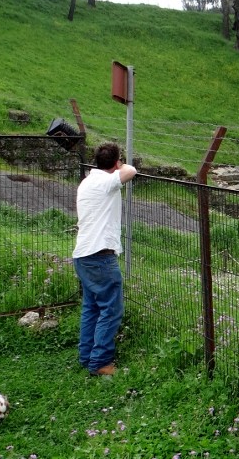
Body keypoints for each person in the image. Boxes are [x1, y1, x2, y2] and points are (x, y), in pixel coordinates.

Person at [72, 142, 137, 376]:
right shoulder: (106, 182)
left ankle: (86, 355)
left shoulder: (88, 181)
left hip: (83, 254)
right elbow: (131, 171)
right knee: (111, 309)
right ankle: (100, 363)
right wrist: (121, 165)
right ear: (116, 163)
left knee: (91, 308)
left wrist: (114, 164)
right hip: (100, 255)